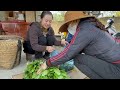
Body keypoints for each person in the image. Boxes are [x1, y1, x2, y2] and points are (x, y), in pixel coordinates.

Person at [38, 11, 120, 79]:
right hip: (114, 62)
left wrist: (47, 63)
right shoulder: (90, 25)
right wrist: (58, 60)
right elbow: (72, 50)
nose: (68, 28)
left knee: (77, 59)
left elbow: (69, 53)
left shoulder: (85, 30)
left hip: (117, 68)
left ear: (74, 21)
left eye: (68, 25)